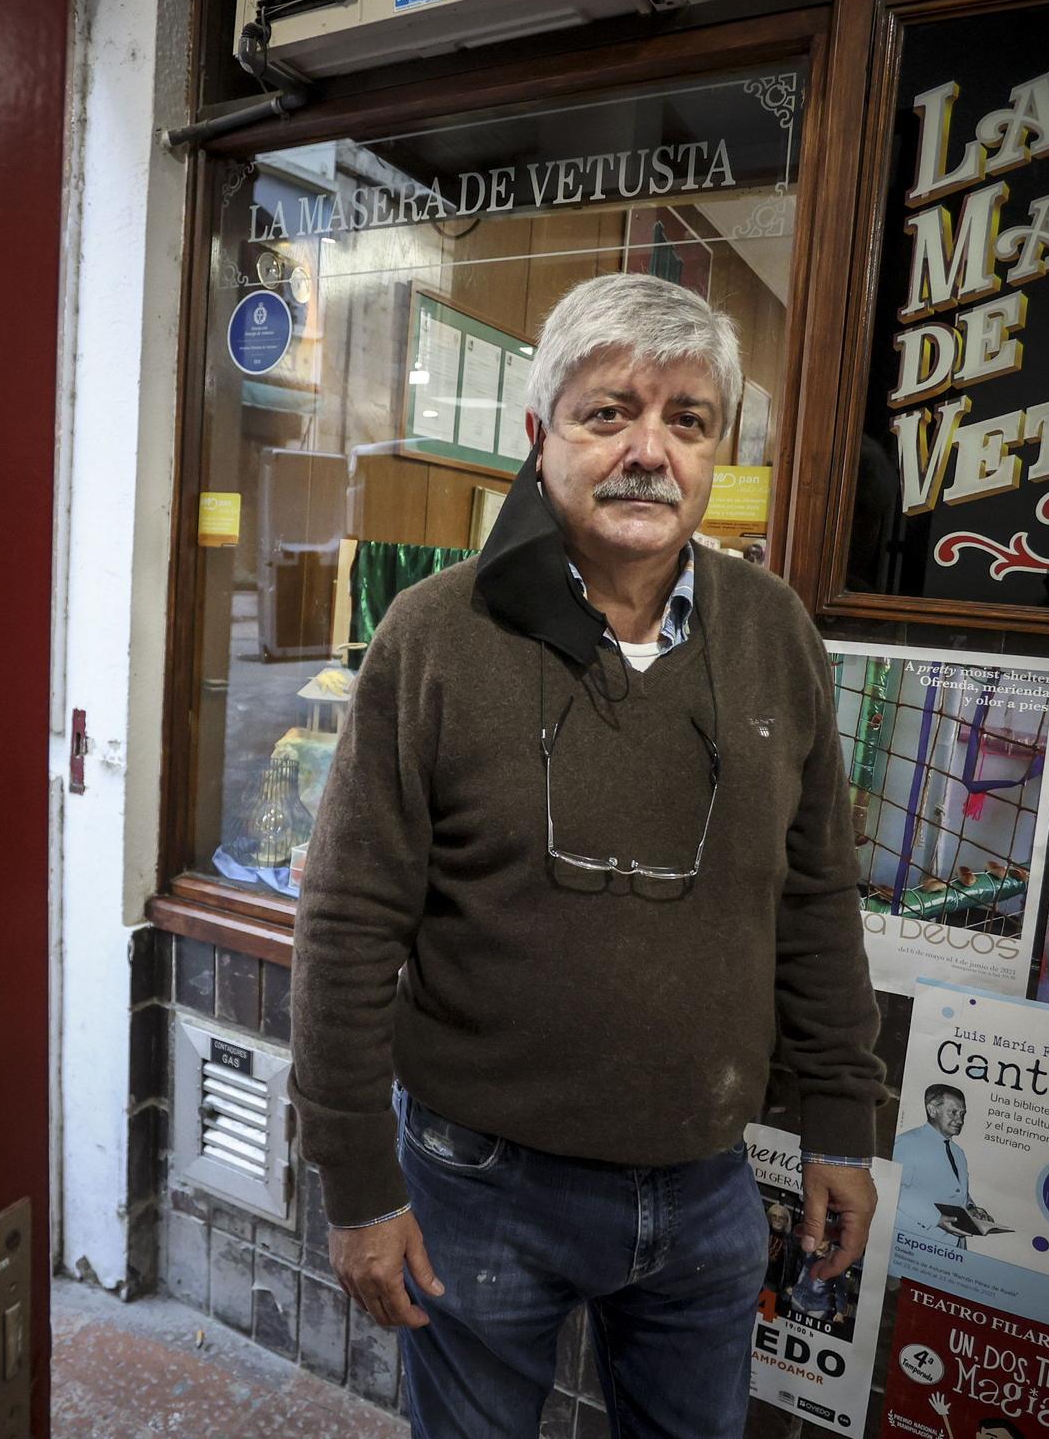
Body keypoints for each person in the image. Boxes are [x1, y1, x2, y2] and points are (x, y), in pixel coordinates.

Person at [291, 273, 885, 1439]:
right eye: (607, 412)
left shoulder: (772, 633)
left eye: (687, 419)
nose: (648, 451)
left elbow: (813, 898)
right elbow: (349, 920)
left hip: (708, 1179)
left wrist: (841, 1127)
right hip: (474, 1183)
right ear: (538, 436)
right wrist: (358, 1186)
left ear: (715, 452)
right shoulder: (435, 634)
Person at [893, 1085, 975, 1245]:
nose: (960, 1120)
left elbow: (957, 1190)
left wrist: (971, 1207)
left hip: (953, 1250)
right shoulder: (906, 1143)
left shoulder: (958, 1152)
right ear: (932, 1110)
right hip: (917, 1245)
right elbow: (895, 1190)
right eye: (953, 1112)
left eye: (962, 1114)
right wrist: (936, 1219)